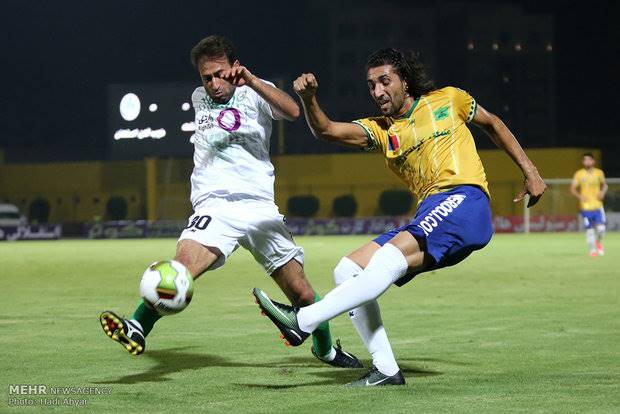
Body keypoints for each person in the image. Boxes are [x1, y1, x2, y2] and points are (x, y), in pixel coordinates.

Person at [252, 48, 547, 386]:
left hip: (465, 201)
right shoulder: (381, 130)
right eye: (371, 85)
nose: (377, 91)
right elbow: (328, 131)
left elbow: (493, 124)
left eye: (384, 81)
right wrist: (309, 99)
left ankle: (302, 321)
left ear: (405, 82)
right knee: (348, 269)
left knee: (387, 259)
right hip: (431, 216)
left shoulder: (449, 99)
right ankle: (387, 369)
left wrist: (531, 171)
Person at [99, 35, 361, 369]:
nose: (212, 83)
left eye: (219, 74)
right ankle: (137, 327)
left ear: (235, 67)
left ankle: (325, 351)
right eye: (206, 77)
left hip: (259, 208)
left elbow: (294, 111)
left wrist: (250, 80)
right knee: (179, 270)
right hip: (215, 206)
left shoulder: (256, 89)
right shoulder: (199, 98)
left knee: (304, 295)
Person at [570, 153, 607, 256]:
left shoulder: (599, 173)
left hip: (598, 205)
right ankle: (592, 250)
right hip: (585, 206)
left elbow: (604, 185)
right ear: (583, 162)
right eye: (585, 160)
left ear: (593, 161)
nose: (587, 162)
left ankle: (598, 242)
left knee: (601, 229)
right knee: (590, 230)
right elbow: (572, 188)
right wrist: (580, 197)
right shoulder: (579, 174)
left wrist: (602, 193)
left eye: (589, 160)